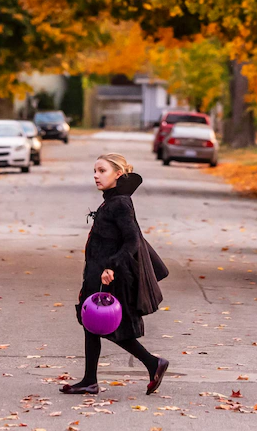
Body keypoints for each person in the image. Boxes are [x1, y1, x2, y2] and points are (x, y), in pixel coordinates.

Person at [62, 153, 169, 396]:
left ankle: (153, 363)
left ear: (118, 174)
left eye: (102, 171)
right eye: (95, 171)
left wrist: (111, 267)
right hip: (98, 273)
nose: (96, 175)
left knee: (109, 327)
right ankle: (90, 380)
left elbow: (131, 241)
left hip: (111, 276)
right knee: (93, 324)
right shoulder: (111, 201)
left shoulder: (119, 203)